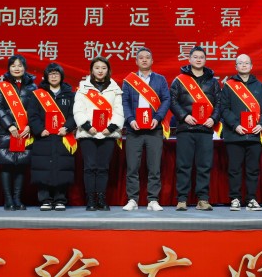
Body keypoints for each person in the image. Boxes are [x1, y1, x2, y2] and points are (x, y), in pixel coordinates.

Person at [170, 46, 221, 211]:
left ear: (205, 60)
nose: (198, 59)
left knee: (204, 166)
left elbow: (219, 103)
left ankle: (203, 199)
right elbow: (172, 101)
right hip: (186, 128)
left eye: (201, 57)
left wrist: (213, 119)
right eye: (195, 57)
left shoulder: (213, 82)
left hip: (205, 130)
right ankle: (182, 199)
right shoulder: (179, 80)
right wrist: (184, 116)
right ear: (190, 59)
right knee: (183, 165)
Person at [121, 48, 171, 212]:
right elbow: (125, 102)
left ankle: (153, 200)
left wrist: (158, 117)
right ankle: (132, 199)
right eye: (141, 58)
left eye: (147, 57)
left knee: (154, 167)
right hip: (134, 129)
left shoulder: (160, 80)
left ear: (152, 61)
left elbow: (166, 99)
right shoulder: (129, 81)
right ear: (136, 61)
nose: (144, 60)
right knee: (132, 167)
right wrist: (130, 119)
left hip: (154, 129)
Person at [73, 56, 124, 211]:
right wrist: (87, 127)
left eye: (103, 68)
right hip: (88, 133)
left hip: (108, 134)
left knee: (103, 168)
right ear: (91, 70)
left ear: (108, 70)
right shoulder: (83, 88)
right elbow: (78, 109)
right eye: (97, 68)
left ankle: (101, 198)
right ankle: (90, 199)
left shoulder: (114, 88)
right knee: (90, 167)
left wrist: (112, 127)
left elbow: (119, 110)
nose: (100, 71)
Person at [219, 54, 262, 211]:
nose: (243, 65)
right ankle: (235, 198)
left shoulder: (259, 86)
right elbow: (224, 108)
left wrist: (261, 124)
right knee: (234, 169)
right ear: (236, 67)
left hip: (254, 135)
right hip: (234, 135)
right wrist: (235, 125)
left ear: (251, 66)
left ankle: (251, 199)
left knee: (253, 170)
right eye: (240, 63)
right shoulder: (229, 85)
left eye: (246, 63)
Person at [29, 63, 77, 211]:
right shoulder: (38, 94)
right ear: (46, 77)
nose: (54, 76)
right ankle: (45, 199)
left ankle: (60, 199)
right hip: (44, 137)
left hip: (63, 137)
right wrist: (39, 129)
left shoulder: (70, 94)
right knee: (43, 168)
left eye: (56, 74)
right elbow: (32, 115)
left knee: (62, 168)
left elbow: (74, 115)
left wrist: (67, 127)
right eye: (51, 74)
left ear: (61, 76)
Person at [0, 54, 37, 210]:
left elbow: (36, 109)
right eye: (13, 65)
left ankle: (17, 199)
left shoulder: (32, 87)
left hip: (25, 132)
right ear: (9, 68)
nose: (16, 68)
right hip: (7, 132)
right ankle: (8, 200)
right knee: (6, 165)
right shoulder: (2, 86)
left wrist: (30, 126)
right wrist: (10, 126)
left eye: (20, 65)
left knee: (21, 166)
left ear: (25, 67)